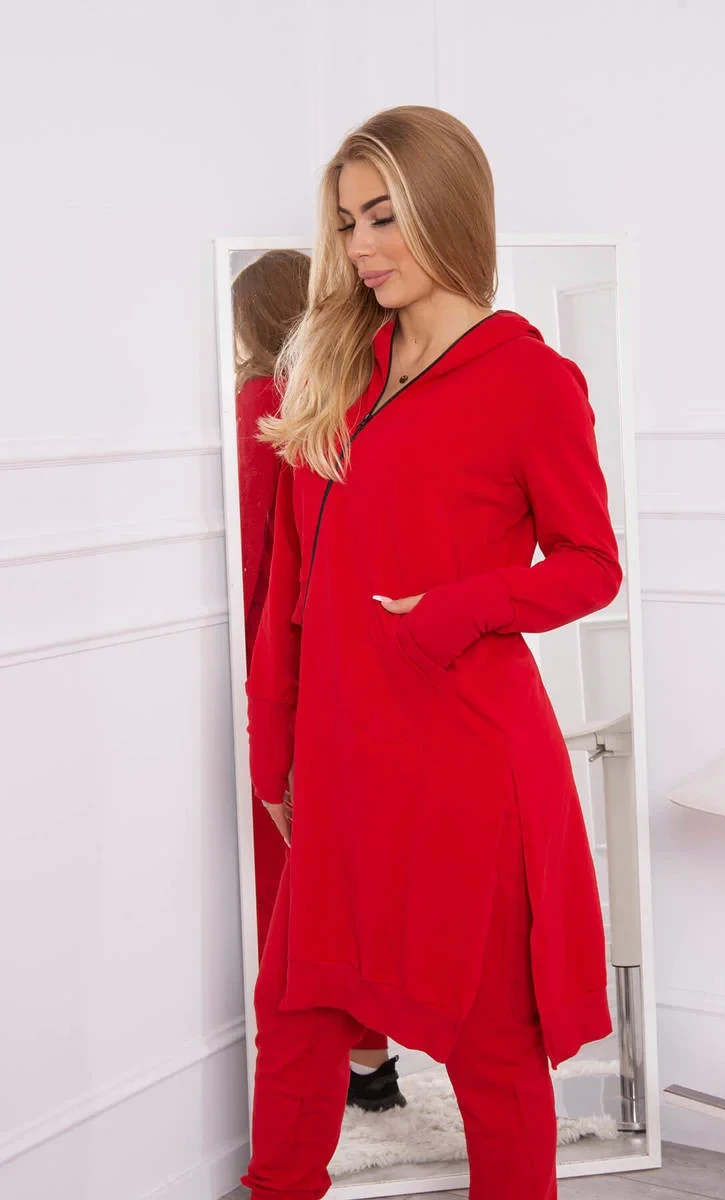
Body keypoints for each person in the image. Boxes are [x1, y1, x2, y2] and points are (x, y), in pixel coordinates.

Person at [242, 105, 622, 1200]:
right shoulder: (335, 372)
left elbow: (590, 566)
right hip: (344, 762)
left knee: (493, 1046)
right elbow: (293, 592)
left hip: (467, 767)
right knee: (297, 1014)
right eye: (347, 222)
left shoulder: (529, 381)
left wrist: (456, 609)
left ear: (447, 211)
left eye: (384, 217)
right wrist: (277, 755)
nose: (361, 247)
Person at [232, 250, 404, 1112]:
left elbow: (255, 553)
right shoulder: (364, 394)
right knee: (351, 867)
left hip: (279, 659)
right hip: (359, 656)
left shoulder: (262, 405)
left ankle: (329, 1073)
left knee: (295, 872)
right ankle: (371, 1062)